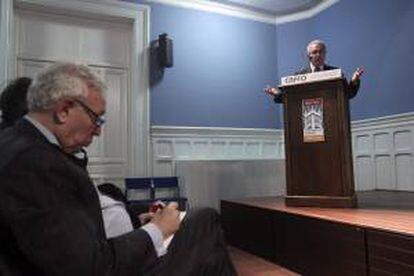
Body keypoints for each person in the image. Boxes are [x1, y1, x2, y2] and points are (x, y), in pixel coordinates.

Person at [0, 62, 236, 276]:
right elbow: (90, 267)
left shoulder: (18, 143)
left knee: (203, 231)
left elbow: (66, 236)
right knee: (204, 222)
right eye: (96, 118)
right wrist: (157, 229)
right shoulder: (36, 163)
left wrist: (136, 223)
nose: (98, 130)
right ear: (64, 110)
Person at [0, 76, 136, 239]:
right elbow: (81, 254)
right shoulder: (36, 163)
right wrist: (152, 233)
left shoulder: (47, 151)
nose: (98, 131)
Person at [264, 39, 364, 103]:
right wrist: (277, 93)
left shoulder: (335, 72)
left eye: (321, 52)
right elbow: (291, 99)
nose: (318, 55)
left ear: (325, 54)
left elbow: (348, 94)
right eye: (315, 52)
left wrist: (354, 81)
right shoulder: (299, 75)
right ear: (309, 56)